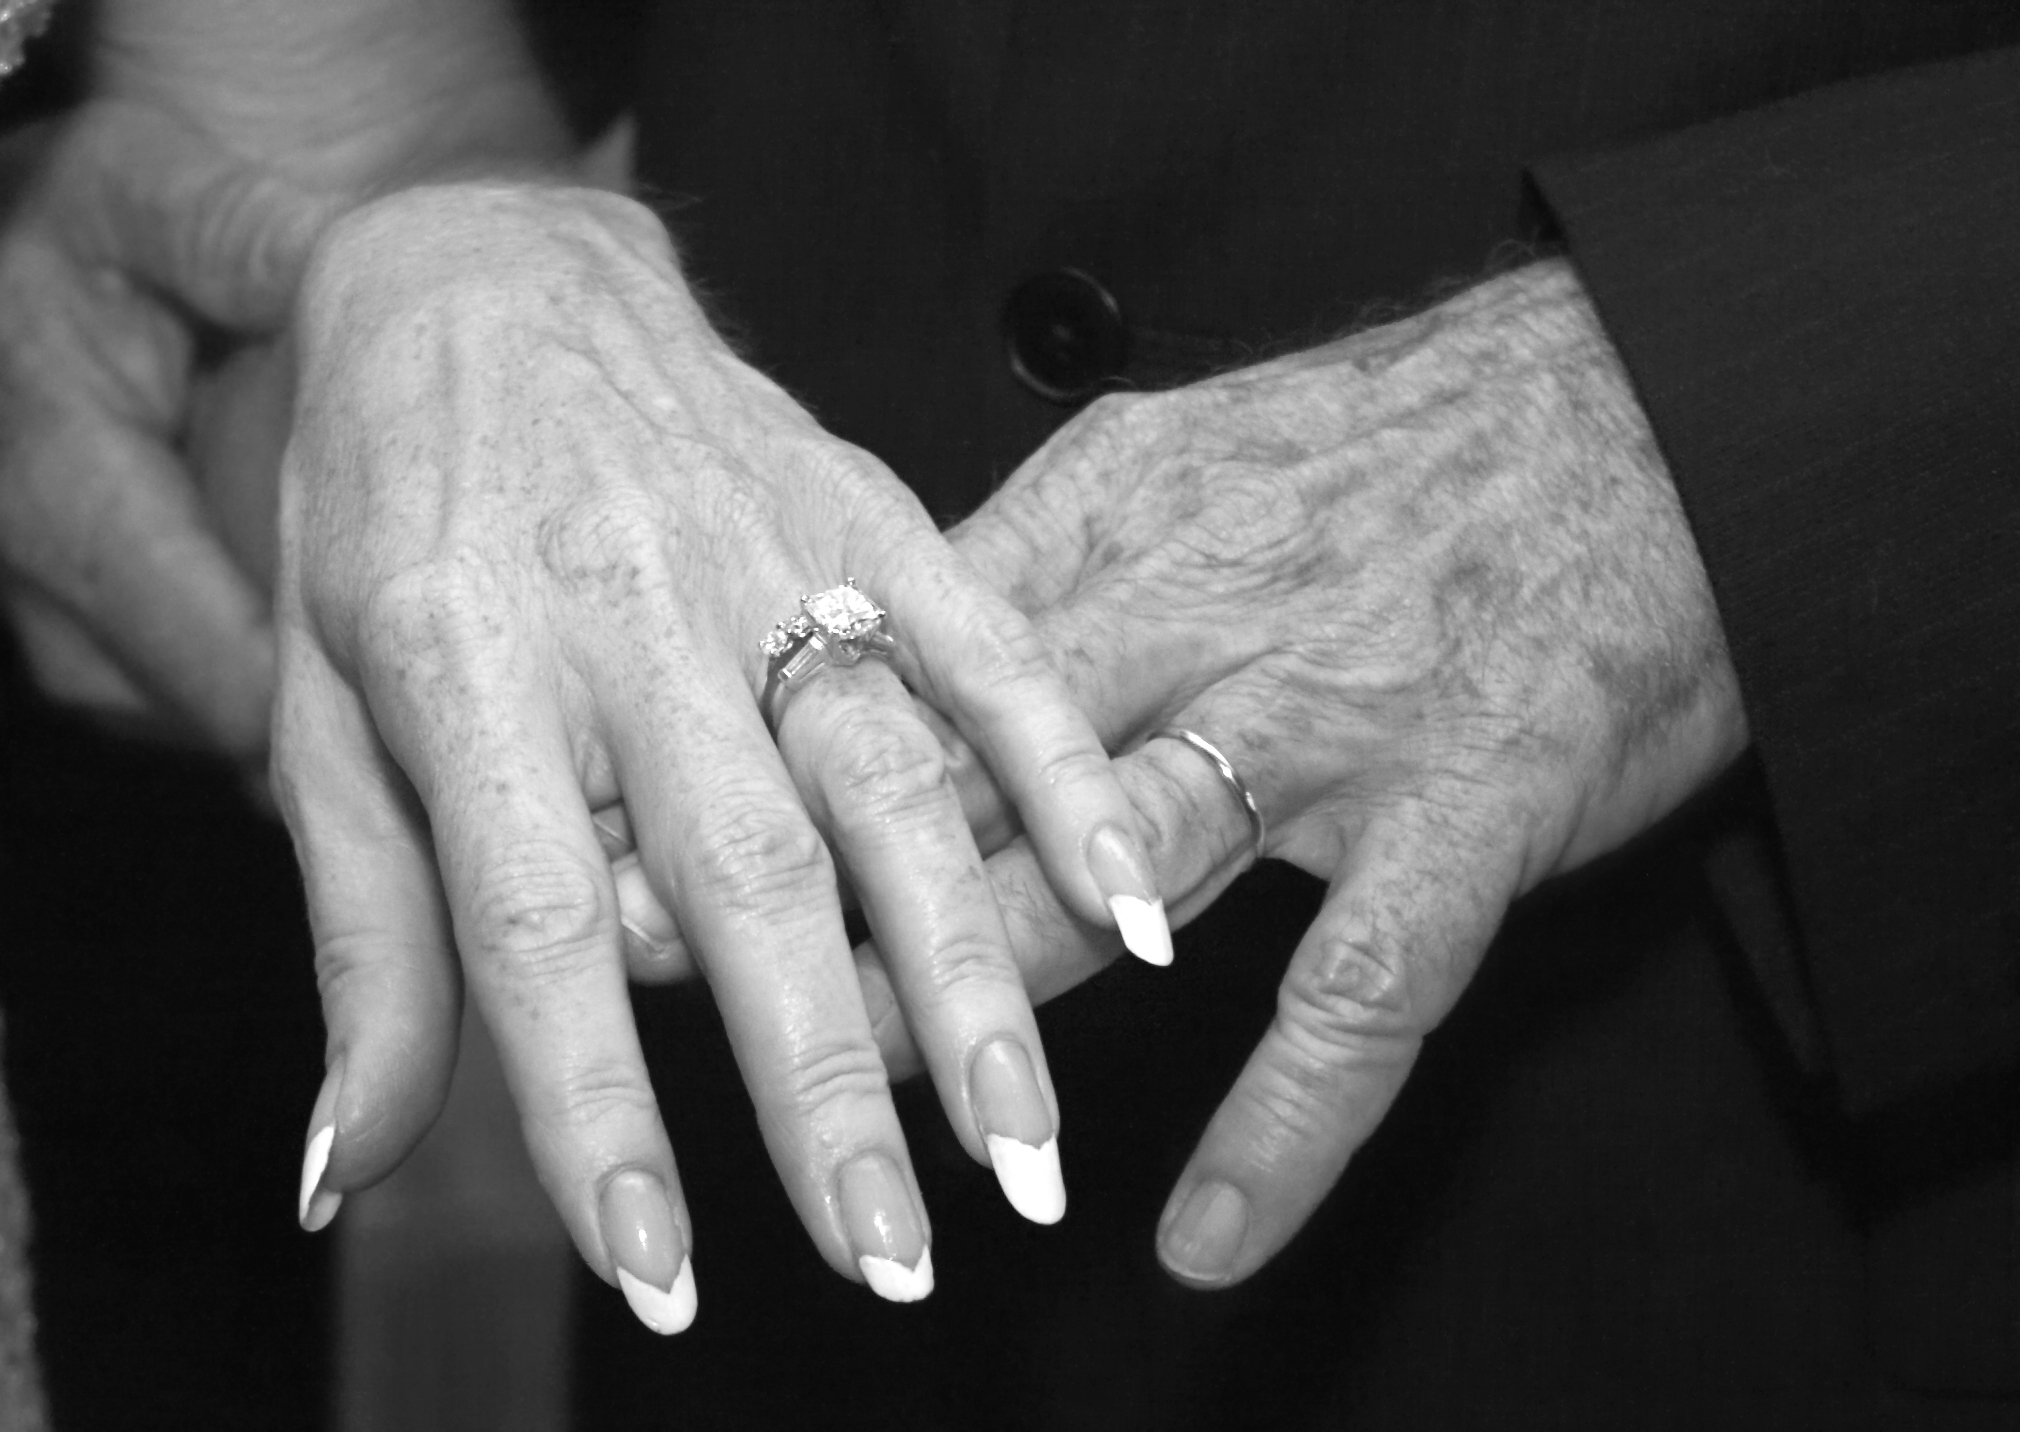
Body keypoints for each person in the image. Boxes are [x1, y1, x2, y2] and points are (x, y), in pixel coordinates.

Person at [1, 0, 2013, 1427]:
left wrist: (1698, 412)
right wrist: (431, 247)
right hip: (748, 997)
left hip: (1778, 1039)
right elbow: (316, 139)